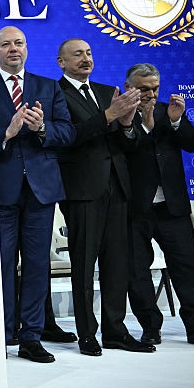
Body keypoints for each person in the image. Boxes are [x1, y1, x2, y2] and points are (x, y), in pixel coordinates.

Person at [0, 26, 75, 363]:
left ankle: (31, 337)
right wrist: (6, 132)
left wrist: (42, 128)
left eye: (19, 43)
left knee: (38, 265)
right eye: (6, 45)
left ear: (27, 49)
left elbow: (67, 131)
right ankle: (3, 330)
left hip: (41, 190)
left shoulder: (48, 86)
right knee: (1, 264)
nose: (13, 49)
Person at [55, 38, 152, 355]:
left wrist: (126, 124)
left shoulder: (105, 90)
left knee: (116, 265)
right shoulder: (55, 93)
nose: (85, 58)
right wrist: (109, 116)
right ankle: (87, 333)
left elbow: (131, 142)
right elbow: (68, 137)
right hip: (82, 191)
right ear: (62, 62)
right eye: (78, 54)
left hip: (117, 188)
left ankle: (115, 330)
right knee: (83, 265)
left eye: (89, 53)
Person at [124, 63, 194, 347]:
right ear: (129, 87)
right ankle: (150, 327)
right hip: (134, 208)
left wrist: (176, 122)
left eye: (155, 88)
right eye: (144, 89)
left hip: (172, 206)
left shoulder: (168, 111)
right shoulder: (118, 115)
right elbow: (127, 150)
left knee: (188, 268)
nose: (150, 94)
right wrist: (144, 126)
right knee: (136, 270)